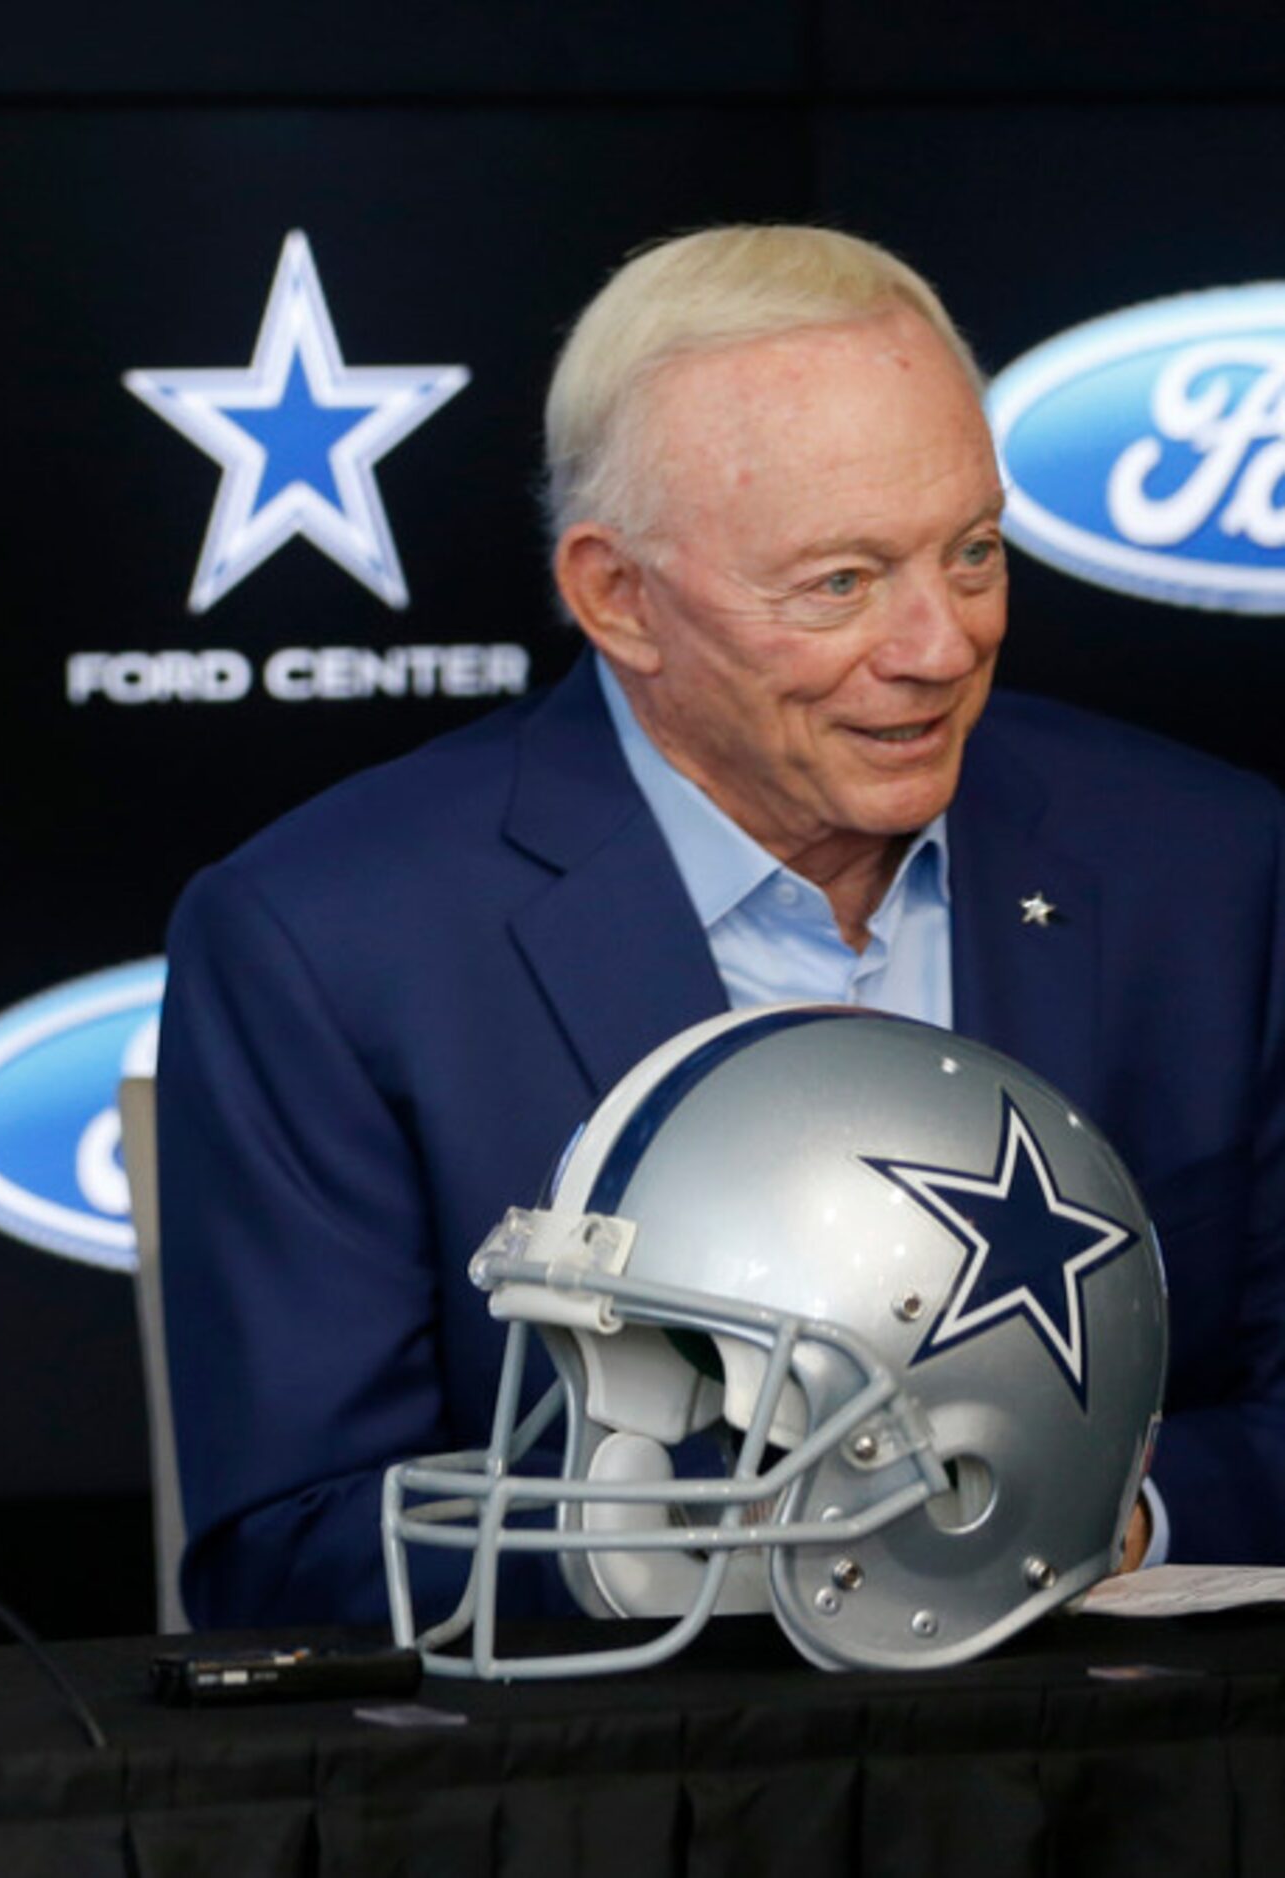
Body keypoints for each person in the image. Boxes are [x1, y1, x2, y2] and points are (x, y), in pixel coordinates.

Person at [157, 224, 1285, 1631]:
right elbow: (295, 1545)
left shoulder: (1215, 866)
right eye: (839, 582)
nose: (938, 644)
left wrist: (1085, 1519)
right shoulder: (323, 939)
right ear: (615, 596)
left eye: (974, 551)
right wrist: (799, 1550)